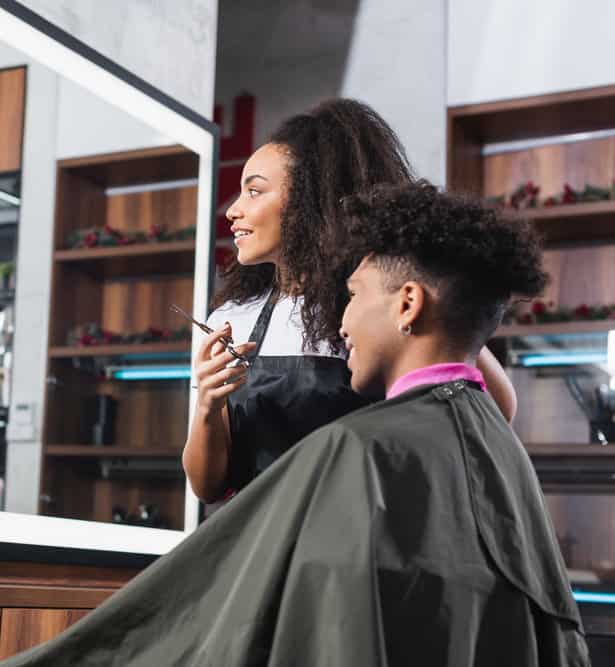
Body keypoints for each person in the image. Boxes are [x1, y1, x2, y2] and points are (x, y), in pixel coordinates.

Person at [0, 183, 588, 666]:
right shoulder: (495, 442)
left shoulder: (355, 451)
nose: (343, 321)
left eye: (352, 296)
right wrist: (208, 405)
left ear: (408, 304)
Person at [184, 99, 517, 503]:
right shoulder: (231, 319)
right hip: (257, 544)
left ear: (311, 201)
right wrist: (207, 404)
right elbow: (207, 487)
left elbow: (494, 410)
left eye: (254, 192)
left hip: (357, 540)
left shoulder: (375, 308)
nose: (233, 211)